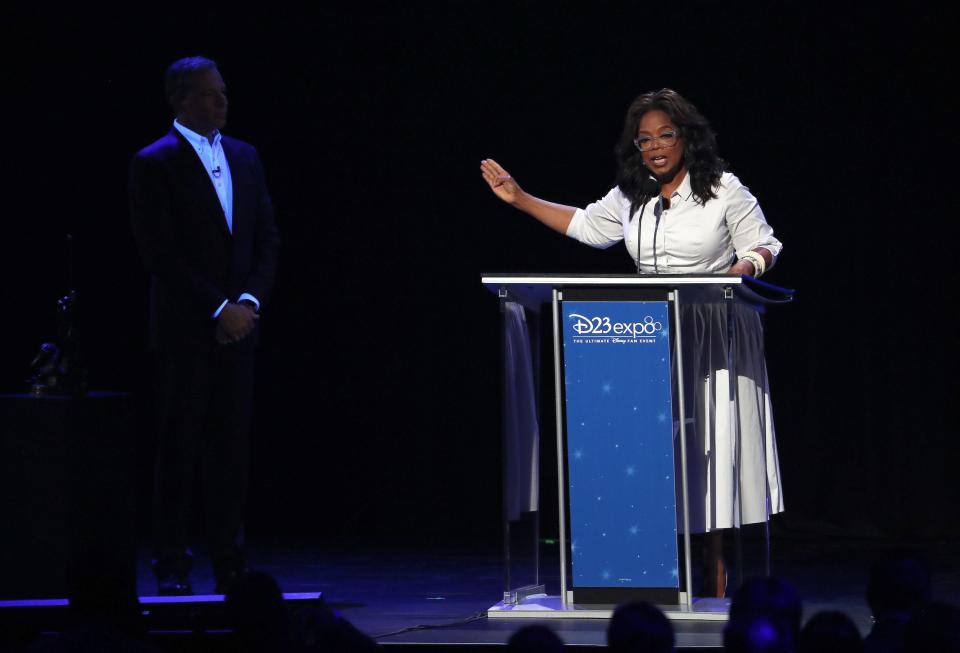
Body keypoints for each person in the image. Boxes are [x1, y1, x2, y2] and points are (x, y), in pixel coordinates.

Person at [480, 88, 784, 597]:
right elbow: (587, 228)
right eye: (644, 140)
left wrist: (742, 267)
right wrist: (521, 199)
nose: (655, 147)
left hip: (713, 331)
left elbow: (765, 243)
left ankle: (716, 570)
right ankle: (659, 573)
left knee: (712, 450)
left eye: (665, 135)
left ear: (686, 138)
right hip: (649, 336)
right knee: (661, 454)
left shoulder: (724, 189)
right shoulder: (633, 195)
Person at [129, 56, 280, 595]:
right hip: (187, 331)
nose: (223, 101)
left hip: (240, 329)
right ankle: (171, 559)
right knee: (180, 446)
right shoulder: (156, 162)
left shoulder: (245, 156)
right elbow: (161, 253)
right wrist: (218, 309)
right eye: (211, 94)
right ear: (181, 100)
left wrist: (247, 300)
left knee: (231, 449)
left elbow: (265, 237)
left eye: (224, 92)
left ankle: (229, 556)